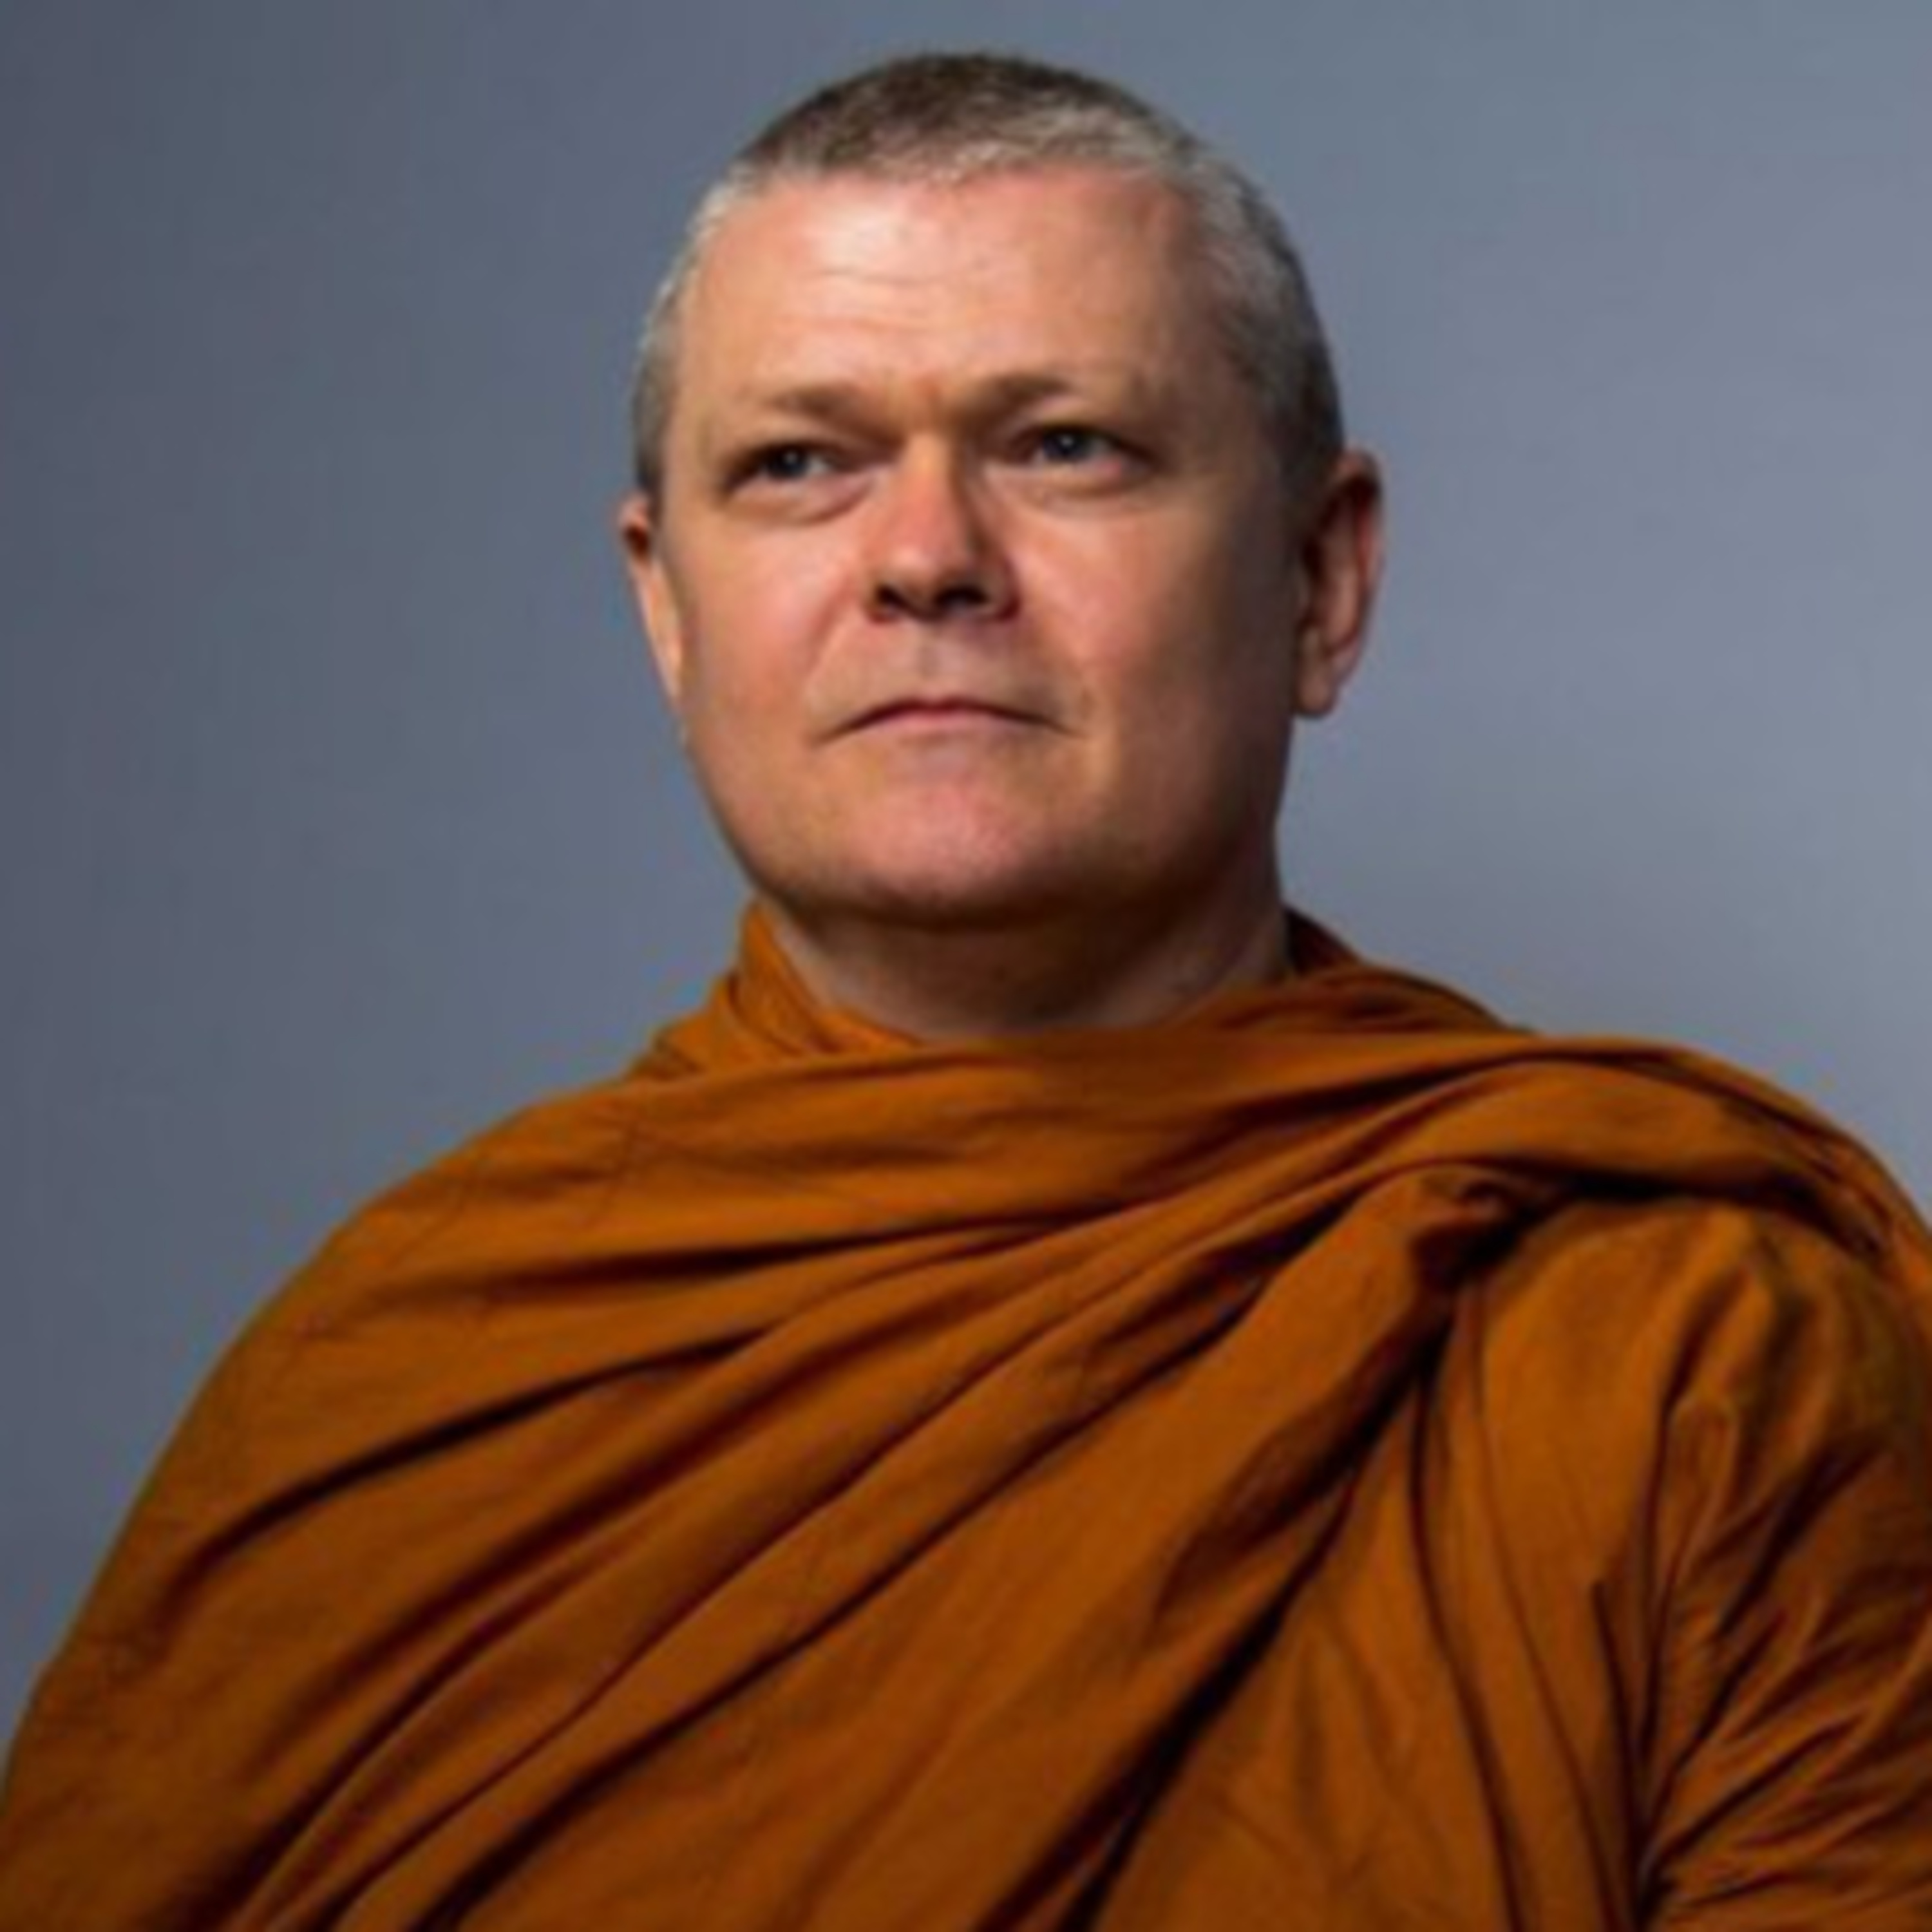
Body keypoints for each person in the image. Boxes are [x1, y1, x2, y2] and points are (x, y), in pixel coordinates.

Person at [2, 50, 1928, 1930]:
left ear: (1319, 580)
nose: (927, 558)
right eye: (800, 465)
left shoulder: (1693, 1361)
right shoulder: (404, 1380)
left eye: (1064, 446)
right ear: (667, 610)